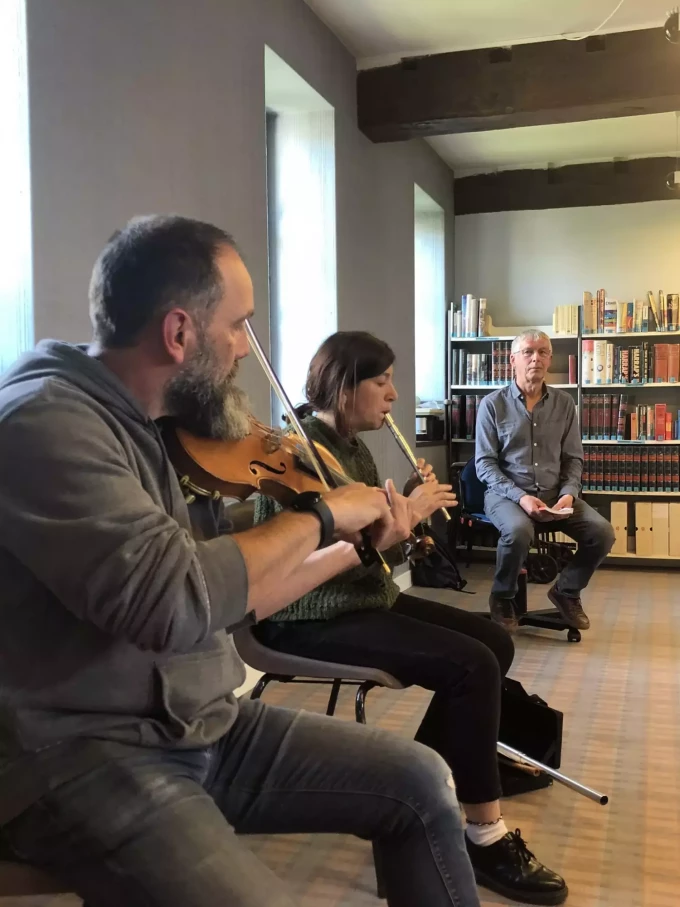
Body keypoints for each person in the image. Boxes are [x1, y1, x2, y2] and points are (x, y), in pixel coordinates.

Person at [0, 215, 482, 907]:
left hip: (199, 721)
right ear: (178, 333)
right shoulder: (44, 423)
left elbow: (234, 596)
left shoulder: (156, 424)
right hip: (84, 754)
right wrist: (319, 515)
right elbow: (172, 600)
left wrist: (355, 544)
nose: (244, 349)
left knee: (422, 780)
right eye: (238, 326)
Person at [254, 331, 569, 907]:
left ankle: (433, 777)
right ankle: (484, 834)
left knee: (493, 643)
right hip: (306, 614)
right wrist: (400, 525)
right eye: (382, 382)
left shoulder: (352, 447)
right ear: (344, 387)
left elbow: (379, 549)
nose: (394, 395)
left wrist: (410, 517)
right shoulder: (297, 453)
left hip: (361, 597)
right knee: (472, 665)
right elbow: (304, 568)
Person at [476, 329, 615, 633]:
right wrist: (521, 497)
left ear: (550, 359)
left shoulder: (564, 404)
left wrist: (569, 493)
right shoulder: (492, 405)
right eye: (528, 352)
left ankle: (566, 591)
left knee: (602, 533)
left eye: (542, 352)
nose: (535, 358)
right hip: (507, 496)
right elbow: (484, 464)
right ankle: (503, 597)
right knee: (518, 531)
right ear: (513, 360)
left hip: (555, 495)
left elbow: (573, 458)